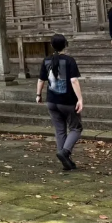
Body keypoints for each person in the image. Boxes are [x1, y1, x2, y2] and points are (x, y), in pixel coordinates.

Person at [36, 34, 84, 171]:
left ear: (51, 46)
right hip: (67, 101)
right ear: (65, 45)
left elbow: (41, 80)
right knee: (76, 128)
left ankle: (65, 160)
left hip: (52, 100)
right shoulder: (69, 60)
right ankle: (65, 152)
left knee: (60, 130)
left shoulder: (46, 61)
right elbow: (74, 80)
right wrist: (80, 99)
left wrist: (38, 95)